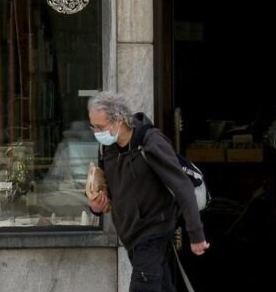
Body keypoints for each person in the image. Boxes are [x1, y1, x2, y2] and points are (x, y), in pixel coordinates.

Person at [87, 91, 209, 292]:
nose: (96, 133)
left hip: (154, 232)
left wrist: (196, 234)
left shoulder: (151, 142)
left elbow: (182, 186)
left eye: (100, 127)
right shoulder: (106, 149)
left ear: (118, 121)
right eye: (93, 127)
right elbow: (105, 188)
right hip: (131, 237)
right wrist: (95, 207)